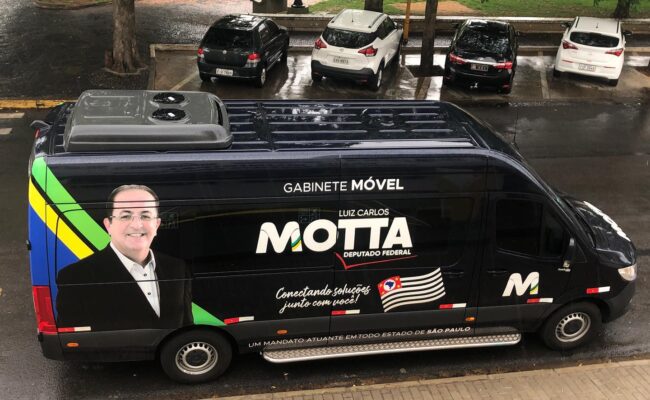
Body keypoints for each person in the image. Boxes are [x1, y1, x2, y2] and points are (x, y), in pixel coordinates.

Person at [56, 185, 192, 332]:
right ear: (108, 225)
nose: (137, 225)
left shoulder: (177, 268)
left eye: (145, 216)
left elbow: (186, 331)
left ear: (157, 224)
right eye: (125, 216)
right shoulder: (76, 277)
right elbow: (74, 341)